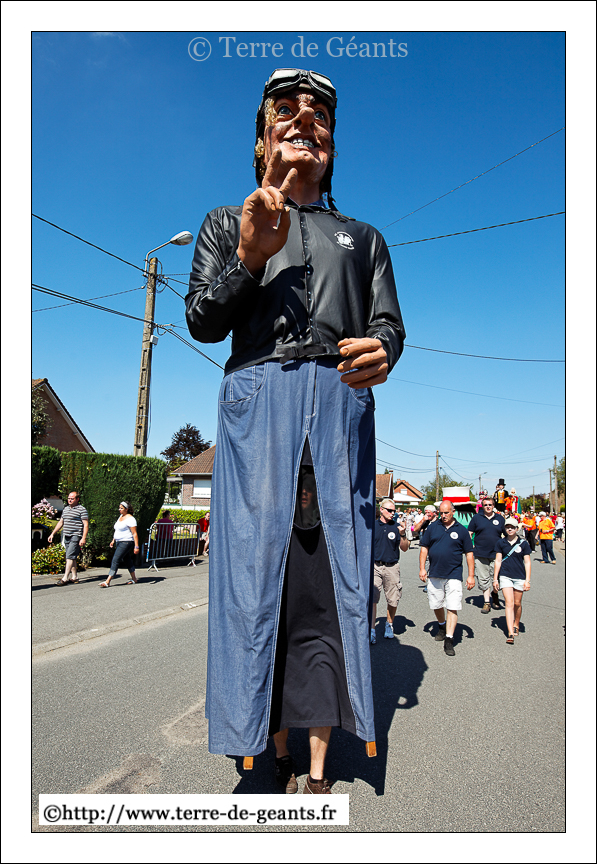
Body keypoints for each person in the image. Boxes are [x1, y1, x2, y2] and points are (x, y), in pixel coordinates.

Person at [185, 68, 405, 794]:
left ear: (332, 144)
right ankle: (263, 740)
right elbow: (202, 321)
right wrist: (250, 256)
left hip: (339, 406)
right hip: (258, 401)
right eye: (286, 108)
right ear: (261, 138)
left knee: (327, 586)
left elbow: (388, 324)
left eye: (319, 113)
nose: (304, 118)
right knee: (257, 586)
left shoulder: (363, 238)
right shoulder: (226, 222)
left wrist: (385, 348)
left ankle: (317, 762)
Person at [419, 501, 475, 656]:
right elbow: (424, 548)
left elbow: (469, 554)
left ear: (453, 512)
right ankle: (441, 625)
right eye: (441, 513)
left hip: (454, 574)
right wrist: (422, 568)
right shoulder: (432, 527)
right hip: (435, 573)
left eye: (446, 513)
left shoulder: (462, 530)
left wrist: (471, 575)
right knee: (436, 604)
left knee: (452, 605)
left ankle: (449, 639)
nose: (443, 516)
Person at [370, 498, 410, 644]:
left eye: (394, 510)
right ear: (381, 510)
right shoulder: (373, 526)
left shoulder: (397, 527)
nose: (393, 513)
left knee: (393, 599)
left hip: (392, 566)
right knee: (372, 599)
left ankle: (389, 624)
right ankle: (372, 629)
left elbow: (405, 548)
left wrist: (403, 534)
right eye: (389, 510)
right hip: (375, 566)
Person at [492, 517, 531, 643]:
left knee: (517, 603)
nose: (510, 529)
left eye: (512, 527)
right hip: (505, 576)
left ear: (517, 529)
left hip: (519, 577)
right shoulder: (500, 542)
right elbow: (498, 561)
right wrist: (495, 579)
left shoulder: (523, 543)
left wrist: (527, 580)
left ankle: (516, 623)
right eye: (507, 527)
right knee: (509, 603)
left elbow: (527, 562)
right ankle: (510, 632)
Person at [467, 497, 506, 613]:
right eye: (485, 505)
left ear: (493, 506)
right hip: (480, 553)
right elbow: (470, 532)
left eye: (490, 505)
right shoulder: (477, 518)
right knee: (483, 578)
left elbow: (506, 534)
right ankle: (487, 602)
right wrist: (469, 546)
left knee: (496, 577)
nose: (488, 507)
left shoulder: (500, 518)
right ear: (482, 506)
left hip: (496, 554)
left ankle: (495, 594)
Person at [49, 491, 89, 585]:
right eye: (69, 498)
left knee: (69, 556)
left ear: (77, 499)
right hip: (66, 535)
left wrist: (83, 538)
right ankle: (74, 577)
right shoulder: (66, 509)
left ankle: (65, 578)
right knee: (72, 557)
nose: (69, 500)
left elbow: (86, 524)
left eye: (72, 498)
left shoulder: (82, 509)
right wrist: (53, 534)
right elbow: (61, 522)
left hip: (76, 535)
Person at [99, 502, 140, 587]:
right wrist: (113, 540)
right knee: (127, 560)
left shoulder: (131, 519)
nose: (119, 510)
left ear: (126, 509)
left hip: (126, 541)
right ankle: (134, 578)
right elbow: (117, 530)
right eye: (119, 508)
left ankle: (107, 581)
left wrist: (136, 546)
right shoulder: (120, 517)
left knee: (116, 559)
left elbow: (134, 533)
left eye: (121, 508)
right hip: (118, 541)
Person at [413, 505, 438, 592]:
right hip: (426, 547)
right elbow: (415, 529)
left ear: (434, 513)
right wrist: (422, 520)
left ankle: (434, 584)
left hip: (436, 547)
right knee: (427, 565)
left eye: (429, 512)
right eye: (426, 512)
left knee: (435, 565)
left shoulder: (439, 522)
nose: (427, 514)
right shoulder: (425, 522)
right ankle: (429, 583)